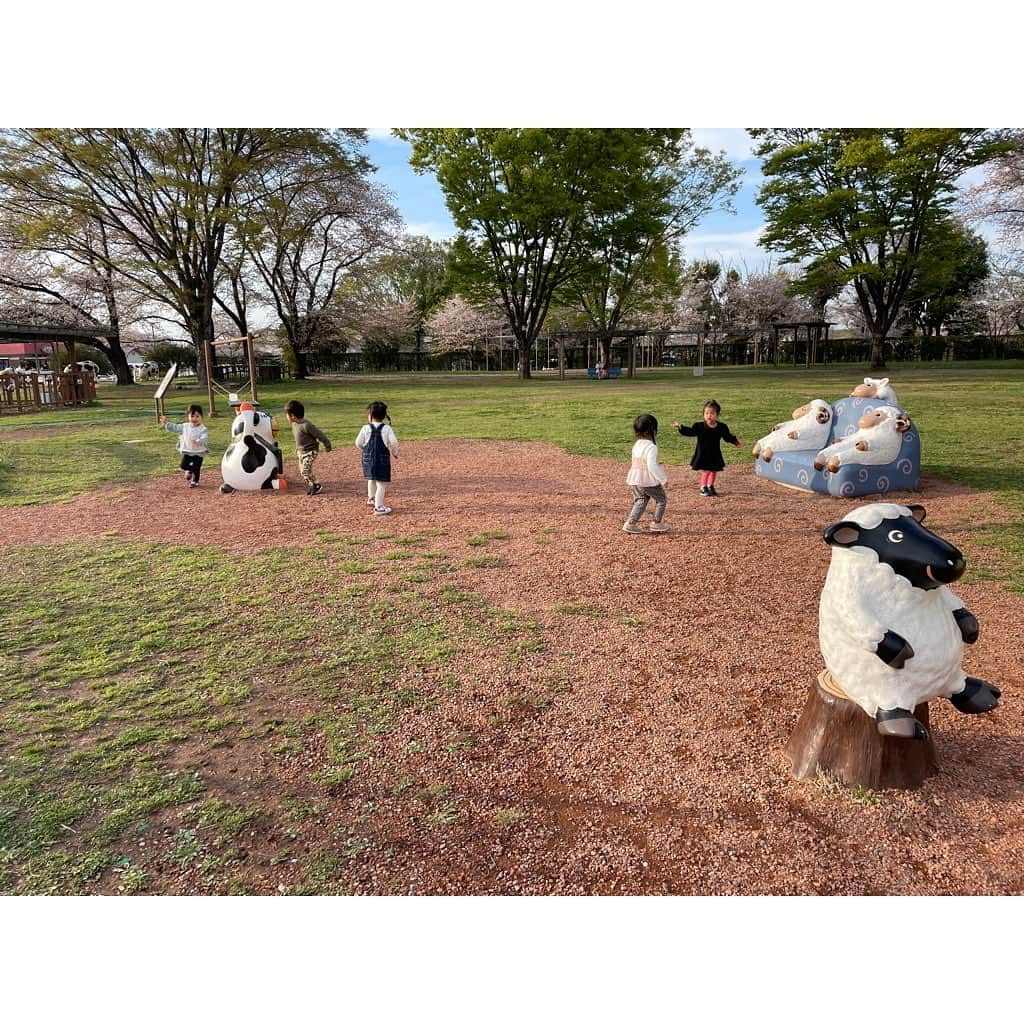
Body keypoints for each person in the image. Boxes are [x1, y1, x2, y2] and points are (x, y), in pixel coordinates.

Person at [673, 399, 740, 497]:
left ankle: (710, 486)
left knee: (714, 470)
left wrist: (735, 442)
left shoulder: (721, 427)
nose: (709, 415)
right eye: (706, 413)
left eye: (712, 413)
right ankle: (703, 487)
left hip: (715, 453)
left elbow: (727, 436)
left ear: (717, 415)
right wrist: (681, 427)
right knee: (706, 470)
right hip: (703, 453)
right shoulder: (699, 426)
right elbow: (691, 432)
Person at [623, 413, 669, 534]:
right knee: (661, 499)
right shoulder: (651, 447)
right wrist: (663, 479)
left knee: (641, 500)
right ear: (653, 430)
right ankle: (657, 523)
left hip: (635, 478)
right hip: (647, 480)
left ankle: (630, 523)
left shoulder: (637, 444)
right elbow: (651, 466)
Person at [355, 400, 399, 515]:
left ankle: (371, 498)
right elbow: (394, 442)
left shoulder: (365, 428)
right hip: (382, 459)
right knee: (381, 483)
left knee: (371, 478)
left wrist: (365, 450)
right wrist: (394, 453)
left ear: (370, 416)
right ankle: (379, 507)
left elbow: (358, 442)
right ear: (384, 416)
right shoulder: (387, 429)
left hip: (368, 458)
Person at [284, 399, 333, 495]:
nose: (286, 416)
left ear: (293, 416)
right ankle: (314, 485)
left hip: (310, 452)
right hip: (301, 452)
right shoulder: (294, 424)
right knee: (303, 472)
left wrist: (327, 445)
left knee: (306, 470)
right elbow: (299, 439)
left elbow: (320, 435)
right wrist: (297, 449)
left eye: (287, 414)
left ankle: (316, 485)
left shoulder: (306, 425)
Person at [160, 404, 208, 488]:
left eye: (197, 416)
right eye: (192, 416)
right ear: (188, 416)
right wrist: (166, 423)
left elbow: (204, 437)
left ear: (201, 417)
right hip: (188, 451)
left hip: (199, 452)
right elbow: (175, 427)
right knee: (183, 465)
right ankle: (189, 470)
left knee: (197, 467)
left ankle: (195, 481)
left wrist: (198, 441)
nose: (194, 419)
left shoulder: (203, 429)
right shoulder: (185, 426)